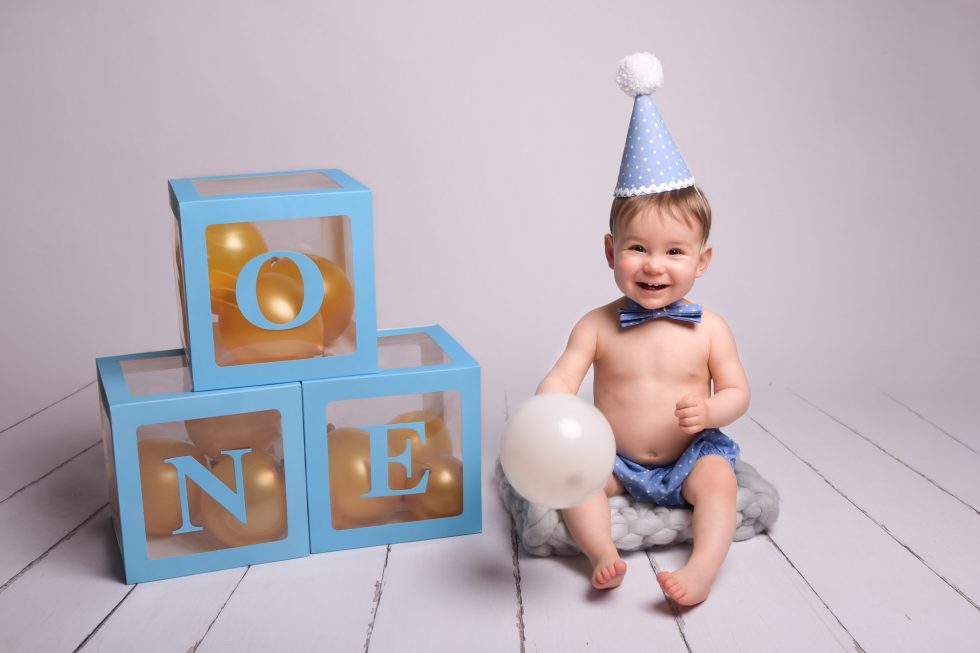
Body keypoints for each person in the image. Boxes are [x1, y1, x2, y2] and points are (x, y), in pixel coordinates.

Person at [535, 53, 750, 606]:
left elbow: (736, 391)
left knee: (719, 485)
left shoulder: (709, 328)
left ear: (701, 262)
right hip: (616, 456)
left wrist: (710, 413)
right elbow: (562, 378)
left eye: (674, 252)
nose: (655, 266)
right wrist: (553, 410)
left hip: (687, 455)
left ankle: (701, 568)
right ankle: (601, 552)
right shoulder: (598, 325)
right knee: (573, 482)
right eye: (637, 249)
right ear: (611, 252)